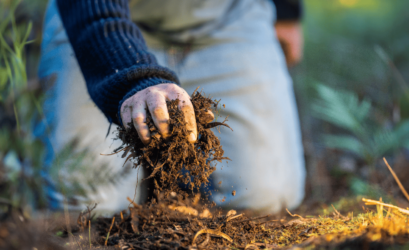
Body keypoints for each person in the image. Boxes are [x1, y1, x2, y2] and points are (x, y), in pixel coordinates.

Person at [38, 0, 306, 215]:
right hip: (96, 22)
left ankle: (175, 195)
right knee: (83, 205)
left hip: (227, 17)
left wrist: (286, 10)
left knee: (265, 198)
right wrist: (135, 77)